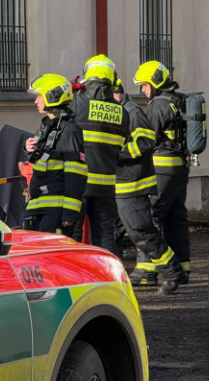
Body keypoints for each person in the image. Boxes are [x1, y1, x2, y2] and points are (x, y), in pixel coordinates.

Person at [112, 79, 185, 294]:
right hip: (117, 184)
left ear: (117, 93)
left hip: (132, 185)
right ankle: (110, 278)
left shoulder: (132, 112)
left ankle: (172, 271)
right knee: (111, 232)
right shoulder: (117, 112)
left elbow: (145, 142)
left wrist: (118, 154)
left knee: (142, 232)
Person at [130, 61, 192, 281]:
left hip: (162, 169)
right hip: (180, 168)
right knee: (176, 216)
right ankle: (182, 265)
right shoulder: (179, 100)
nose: (143, 90)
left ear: (155, 83)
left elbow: (148, 139)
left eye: (145, 85)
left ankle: (147, 269)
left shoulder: (157, 105)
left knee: (151, 216)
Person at [69, 54, 130, 256]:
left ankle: (75, 274)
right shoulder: (122, 112)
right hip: (106, 185)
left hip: (78, 183)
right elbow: (122, 148)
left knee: (73, 238)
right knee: (105, 238)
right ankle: (109, 274)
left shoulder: (76, 104)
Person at [21, 74, 87, 237]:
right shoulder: (47, 127)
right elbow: (44, 162)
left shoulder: (69, 130)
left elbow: (76, 174)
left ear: (52, 96)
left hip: (55, 211)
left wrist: (69, 214)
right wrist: (29, 149)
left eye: (40, 95)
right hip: (38, 207)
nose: (36, 101)